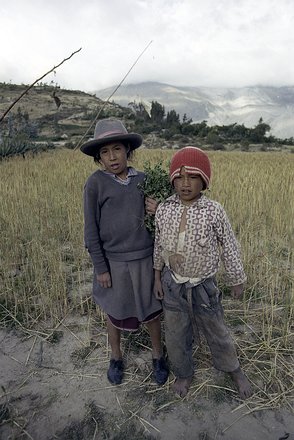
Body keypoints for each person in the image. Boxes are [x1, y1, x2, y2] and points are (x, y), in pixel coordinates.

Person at [153, 146, 252, 399]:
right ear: (173, 179)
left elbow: (228, 244)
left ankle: (233, 368)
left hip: (204, 286)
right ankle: (184, 373)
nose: (185, 184)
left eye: (193, 177)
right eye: (180, 177)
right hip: (173, 284)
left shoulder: (214, 211)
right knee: (175, 334)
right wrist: (157, 276)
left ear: (204, 181)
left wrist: (236, 279)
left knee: (216, 330)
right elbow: (159, 244)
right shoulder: (164, 209)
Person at [80, 118, 169, 386]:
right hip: (114, 263)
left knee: (152, 311)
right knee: (114, 311)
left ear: (128, 151)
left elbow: (159, 224)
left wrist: (158, 209)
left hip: (144, 259)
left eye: (117, 149)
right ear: (98, 158)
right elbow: (91, 230)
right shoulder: (95, 184)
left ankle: (158, 355)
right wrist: (101, 268)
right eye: (105, 152)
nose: (112, 157)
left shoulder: (142, 180)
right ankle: (116, 357)